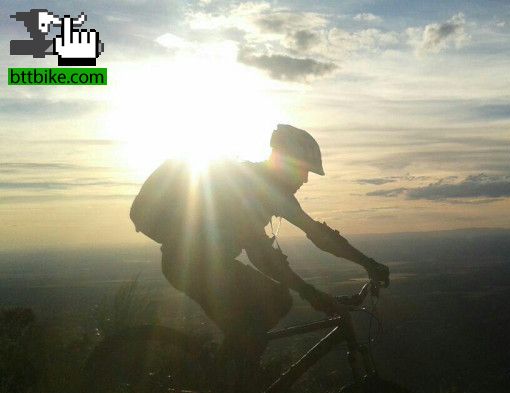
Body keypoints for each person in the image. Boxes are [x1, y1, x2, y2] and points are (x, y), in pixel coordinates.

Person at [130, 124, 390, 359]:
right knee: (270, 308)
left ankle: (231, 383)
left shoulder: (271, 190)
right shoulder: (248, 188)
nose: (305, 179)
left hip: (203, 265)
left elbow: (318, 235)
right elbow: (261, 256)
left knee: (263, 315)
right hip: (188, 265)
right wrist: (311, 293)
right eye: (302, 170)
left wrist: (367, 263)